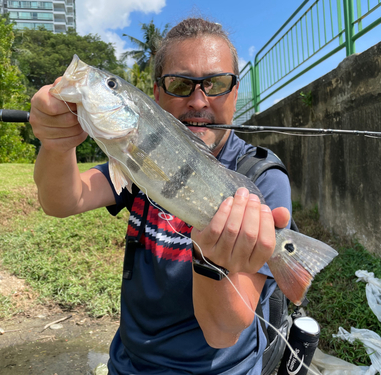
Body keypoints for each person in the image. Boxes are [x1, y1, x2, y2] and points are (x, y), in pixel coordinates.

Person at [30, 17, 292, 375]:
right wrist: (56, 144)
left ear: (235, 90)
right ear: (156, 94)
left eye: (215, 84)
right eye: (181, 84)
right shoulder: (135, 156)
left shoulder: (260, 179)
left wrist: (211, 259)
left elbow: (222, 332)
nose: (199, 101)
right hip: (129, 361)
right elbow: (62, 201)